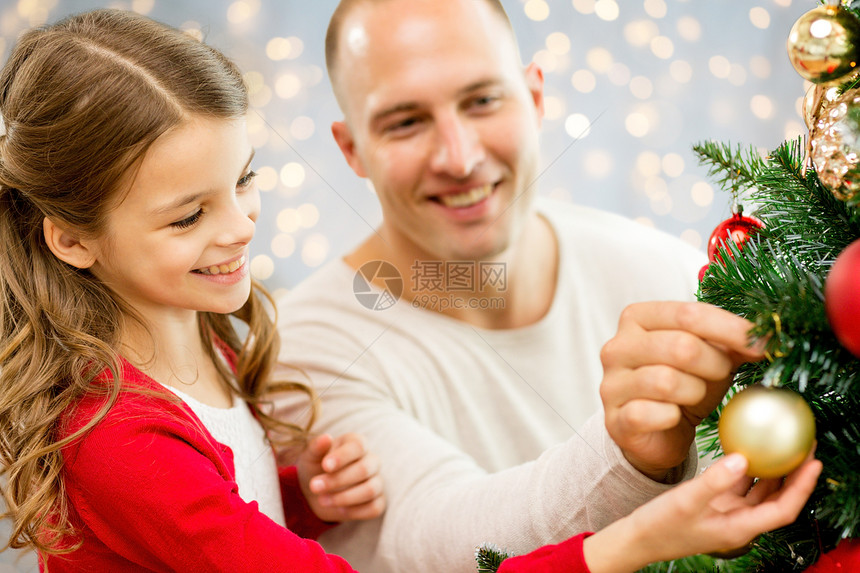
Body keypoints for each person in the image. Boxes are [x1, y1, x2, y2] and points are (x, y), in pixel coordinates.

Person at [271, 0, 810, 571]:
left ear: (533, 99)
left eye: (482, 101)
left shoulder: (661, 273)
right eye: (405, 122)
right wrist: (631, 458)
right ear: (352, 147)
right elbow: (443, 547)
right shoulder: (305, 350)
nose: (459, 158)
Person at [0, 9, 385, 571]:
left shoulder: (196, 332)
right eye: (188, 218)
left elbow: (208, 531)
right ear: (76, 241)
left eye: (243, 180)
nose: (241, 227)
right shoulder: (118, 438)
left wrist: (300, 498)